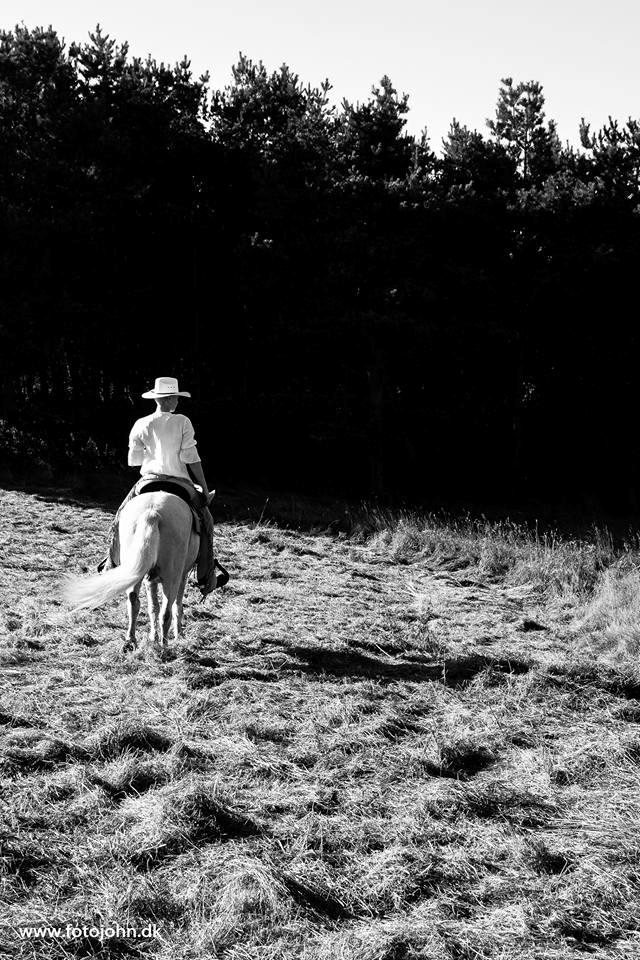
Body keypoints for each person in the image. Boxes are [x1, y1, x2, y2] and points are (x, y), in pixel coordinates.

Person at [98, 376, 228, 596]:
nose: (177, 401)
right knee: (206, 521)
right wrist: (204, 490)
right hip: (180, 482)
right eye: (176, 397)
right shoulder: (183, 421)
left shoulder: (141, 423)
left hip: (148, 480)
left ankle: (110, 563)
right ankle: (206, 575)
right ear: (169, 399)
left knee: (119, 517)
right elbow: (191, 457)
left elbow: (134, 461)